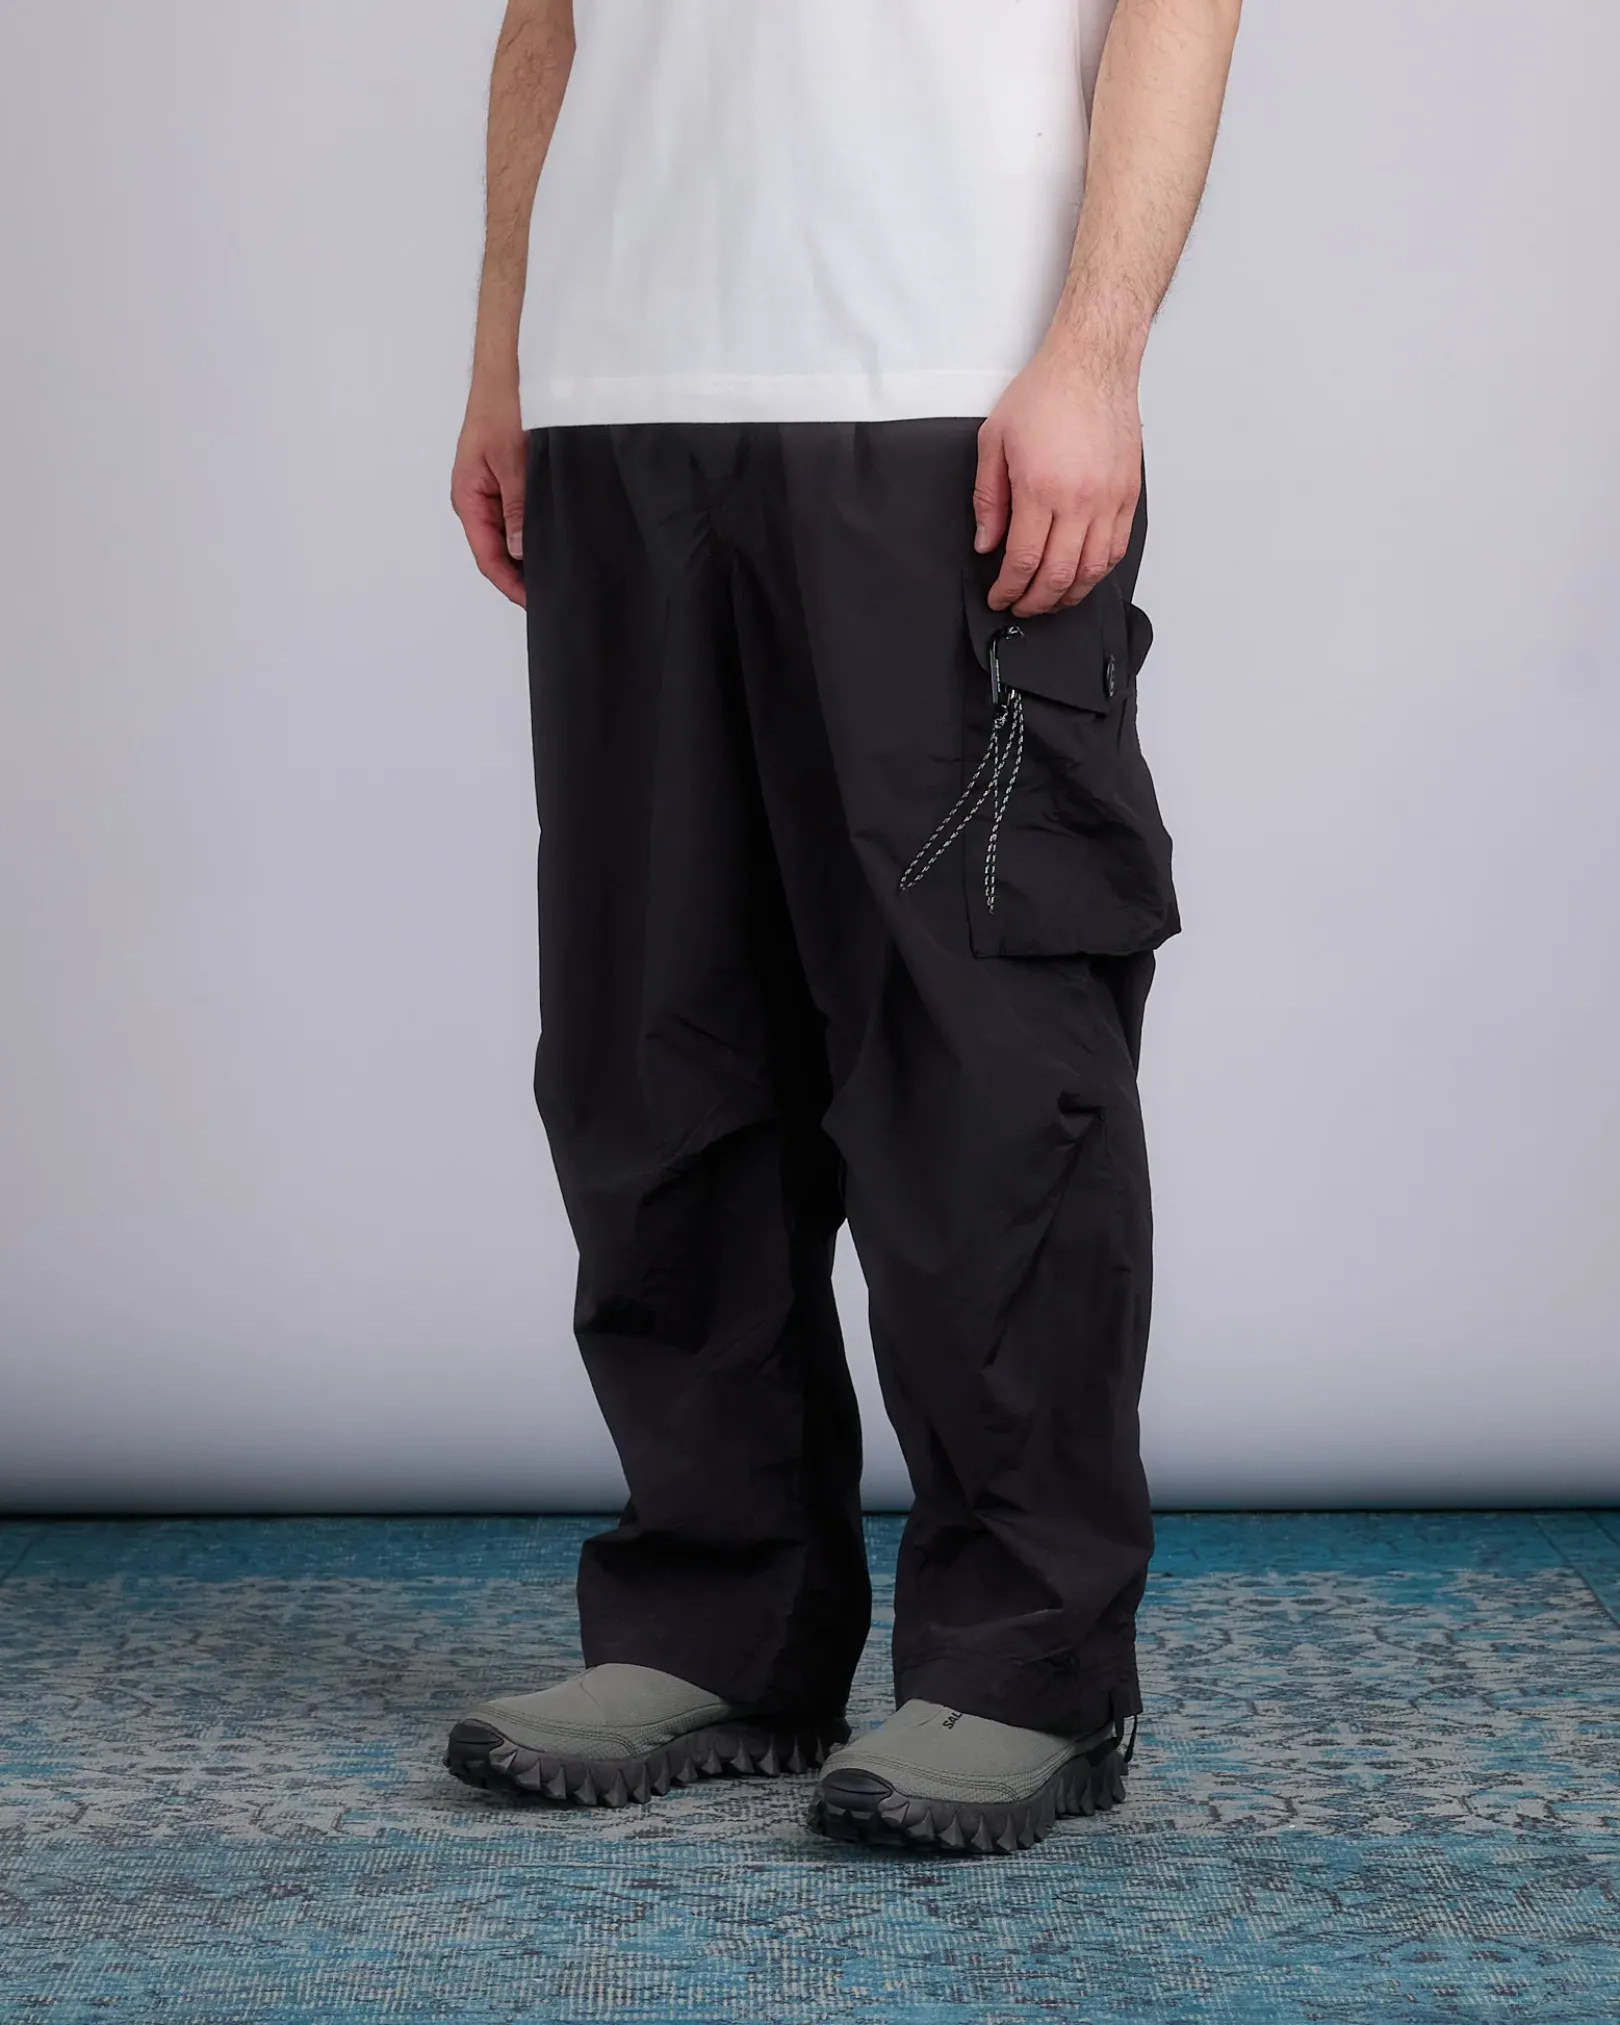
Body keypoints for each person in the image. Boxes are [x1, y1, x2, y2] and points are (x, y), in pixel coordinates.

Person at [447, 0, 1240, 1854]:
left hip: (946, 378)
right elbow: (547, 23)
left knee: (982, 1060)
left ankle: (1031, 1669)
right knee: (653, 1053)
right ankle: (717, 1623)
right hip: (622, 396)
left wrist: (1096, 350)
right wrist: (508, 351)